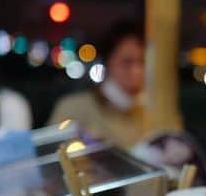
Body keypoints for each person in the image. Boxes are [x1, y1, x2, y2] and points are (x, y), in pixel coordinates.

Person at [48, 19, 147, 148]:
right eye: (127, 62)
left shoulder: (151, 114)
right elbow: (54, 154)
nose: (136, 71)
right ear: (108, 62)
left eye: (141, 62)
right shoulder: (73, 109)